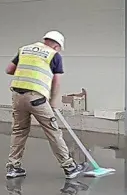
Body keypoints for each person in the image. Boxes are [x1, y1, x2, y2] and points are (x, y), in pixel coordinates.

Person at [5, 30, 85, 180]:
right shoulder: (54, 55)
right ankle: (69, 167)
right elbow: (56, 81)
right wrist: (54, 101)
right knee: (53, 131)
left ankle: (13, 167)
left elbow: (9, 69)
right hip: (36, 98)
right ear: (56, 46)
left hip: (17, 96)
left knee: (19, 131)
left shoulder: (25, 50)